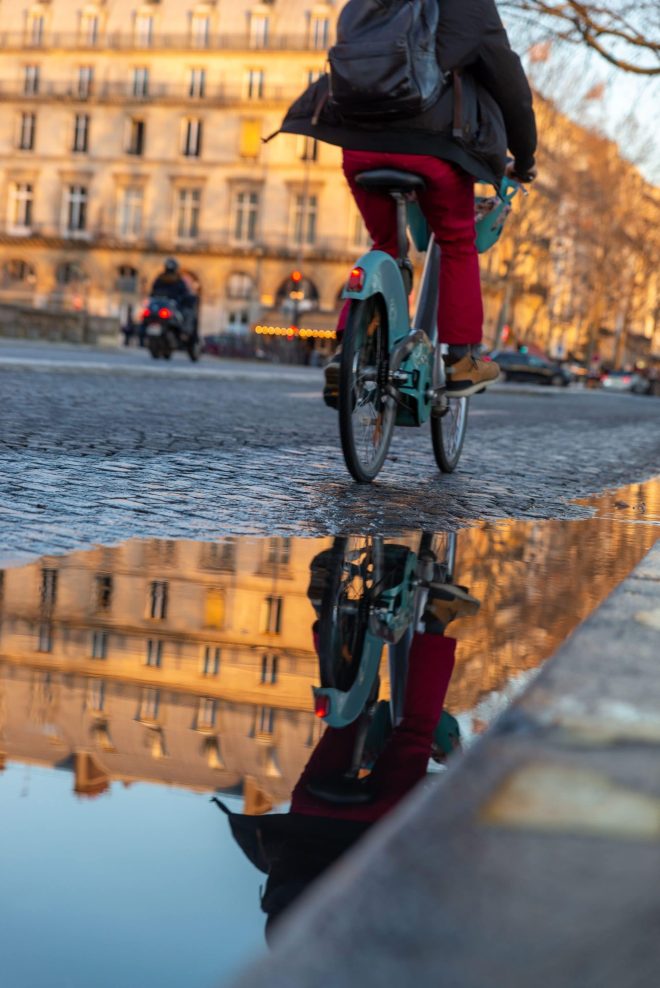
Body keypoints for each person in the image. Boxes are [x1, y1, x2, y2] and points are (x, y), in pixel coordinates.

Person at [276, 0, 538, 405]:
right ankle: (462, 360)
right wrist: (524, 157)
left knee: (385, 244)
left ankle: (348, 353)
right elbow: (512, 89)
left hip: (358, 145)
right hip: (431, 148)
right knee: (456, 242)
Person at [214, 546, 481, 943]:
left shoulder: (353, 935)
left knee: (416, 729)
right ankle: (330, 615)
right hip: (311, 808)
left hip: (375, 824)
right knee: (344, 721)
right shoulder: (281, 924)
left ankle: (436, 616)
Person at [150, 258, 198, 339]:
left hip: (161, 306)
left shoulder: (159, 278)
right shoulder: (178, 280)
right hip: (172, 306)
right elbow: (184, 292)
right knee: (188, 315)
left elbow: (152, 291)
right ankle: (185, 334)